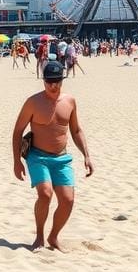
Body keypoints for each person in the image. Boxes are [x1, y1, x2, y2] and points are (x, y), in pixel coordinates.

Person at [12, 61, 94, 251]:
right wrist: (17, 161)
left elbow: (76, 130)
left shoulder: (69, 101)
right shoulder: (33, 102)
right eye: (49, 81)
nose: (53, 85)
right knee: (45, 193)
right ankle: (39, 237)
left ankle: (53, 237)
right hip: (37, 157)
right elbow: (17, 131)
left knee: (68, 200)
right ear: (43, 81)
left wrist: (87, 156)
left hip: (61, 158)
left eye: (57, 81)